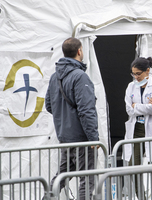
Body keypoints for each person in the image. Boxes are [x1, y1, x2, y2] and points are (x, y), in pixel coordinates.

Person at [45, 37, 99, 200]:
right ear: (79, 51)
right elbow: (86, 110)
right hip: (81, 138)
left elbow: (49, 105)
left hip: (65, 137)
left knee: (62, 175)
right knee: (86, 179)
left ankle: (46, 197)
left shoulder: (55, 77)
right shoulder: (80, 76)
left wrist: (65, 118)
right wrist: (93, 139)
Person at [123, 57, 152, 200]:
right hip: (137, 128)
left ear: (147, 71)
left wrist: (136, 106)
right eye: (133, 74)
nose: (136, 77)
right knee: (134, 165)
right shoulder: (130, 87)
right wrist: (145, 107)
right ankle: (141, 197)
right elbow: (128, 109)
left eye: (138, 73)